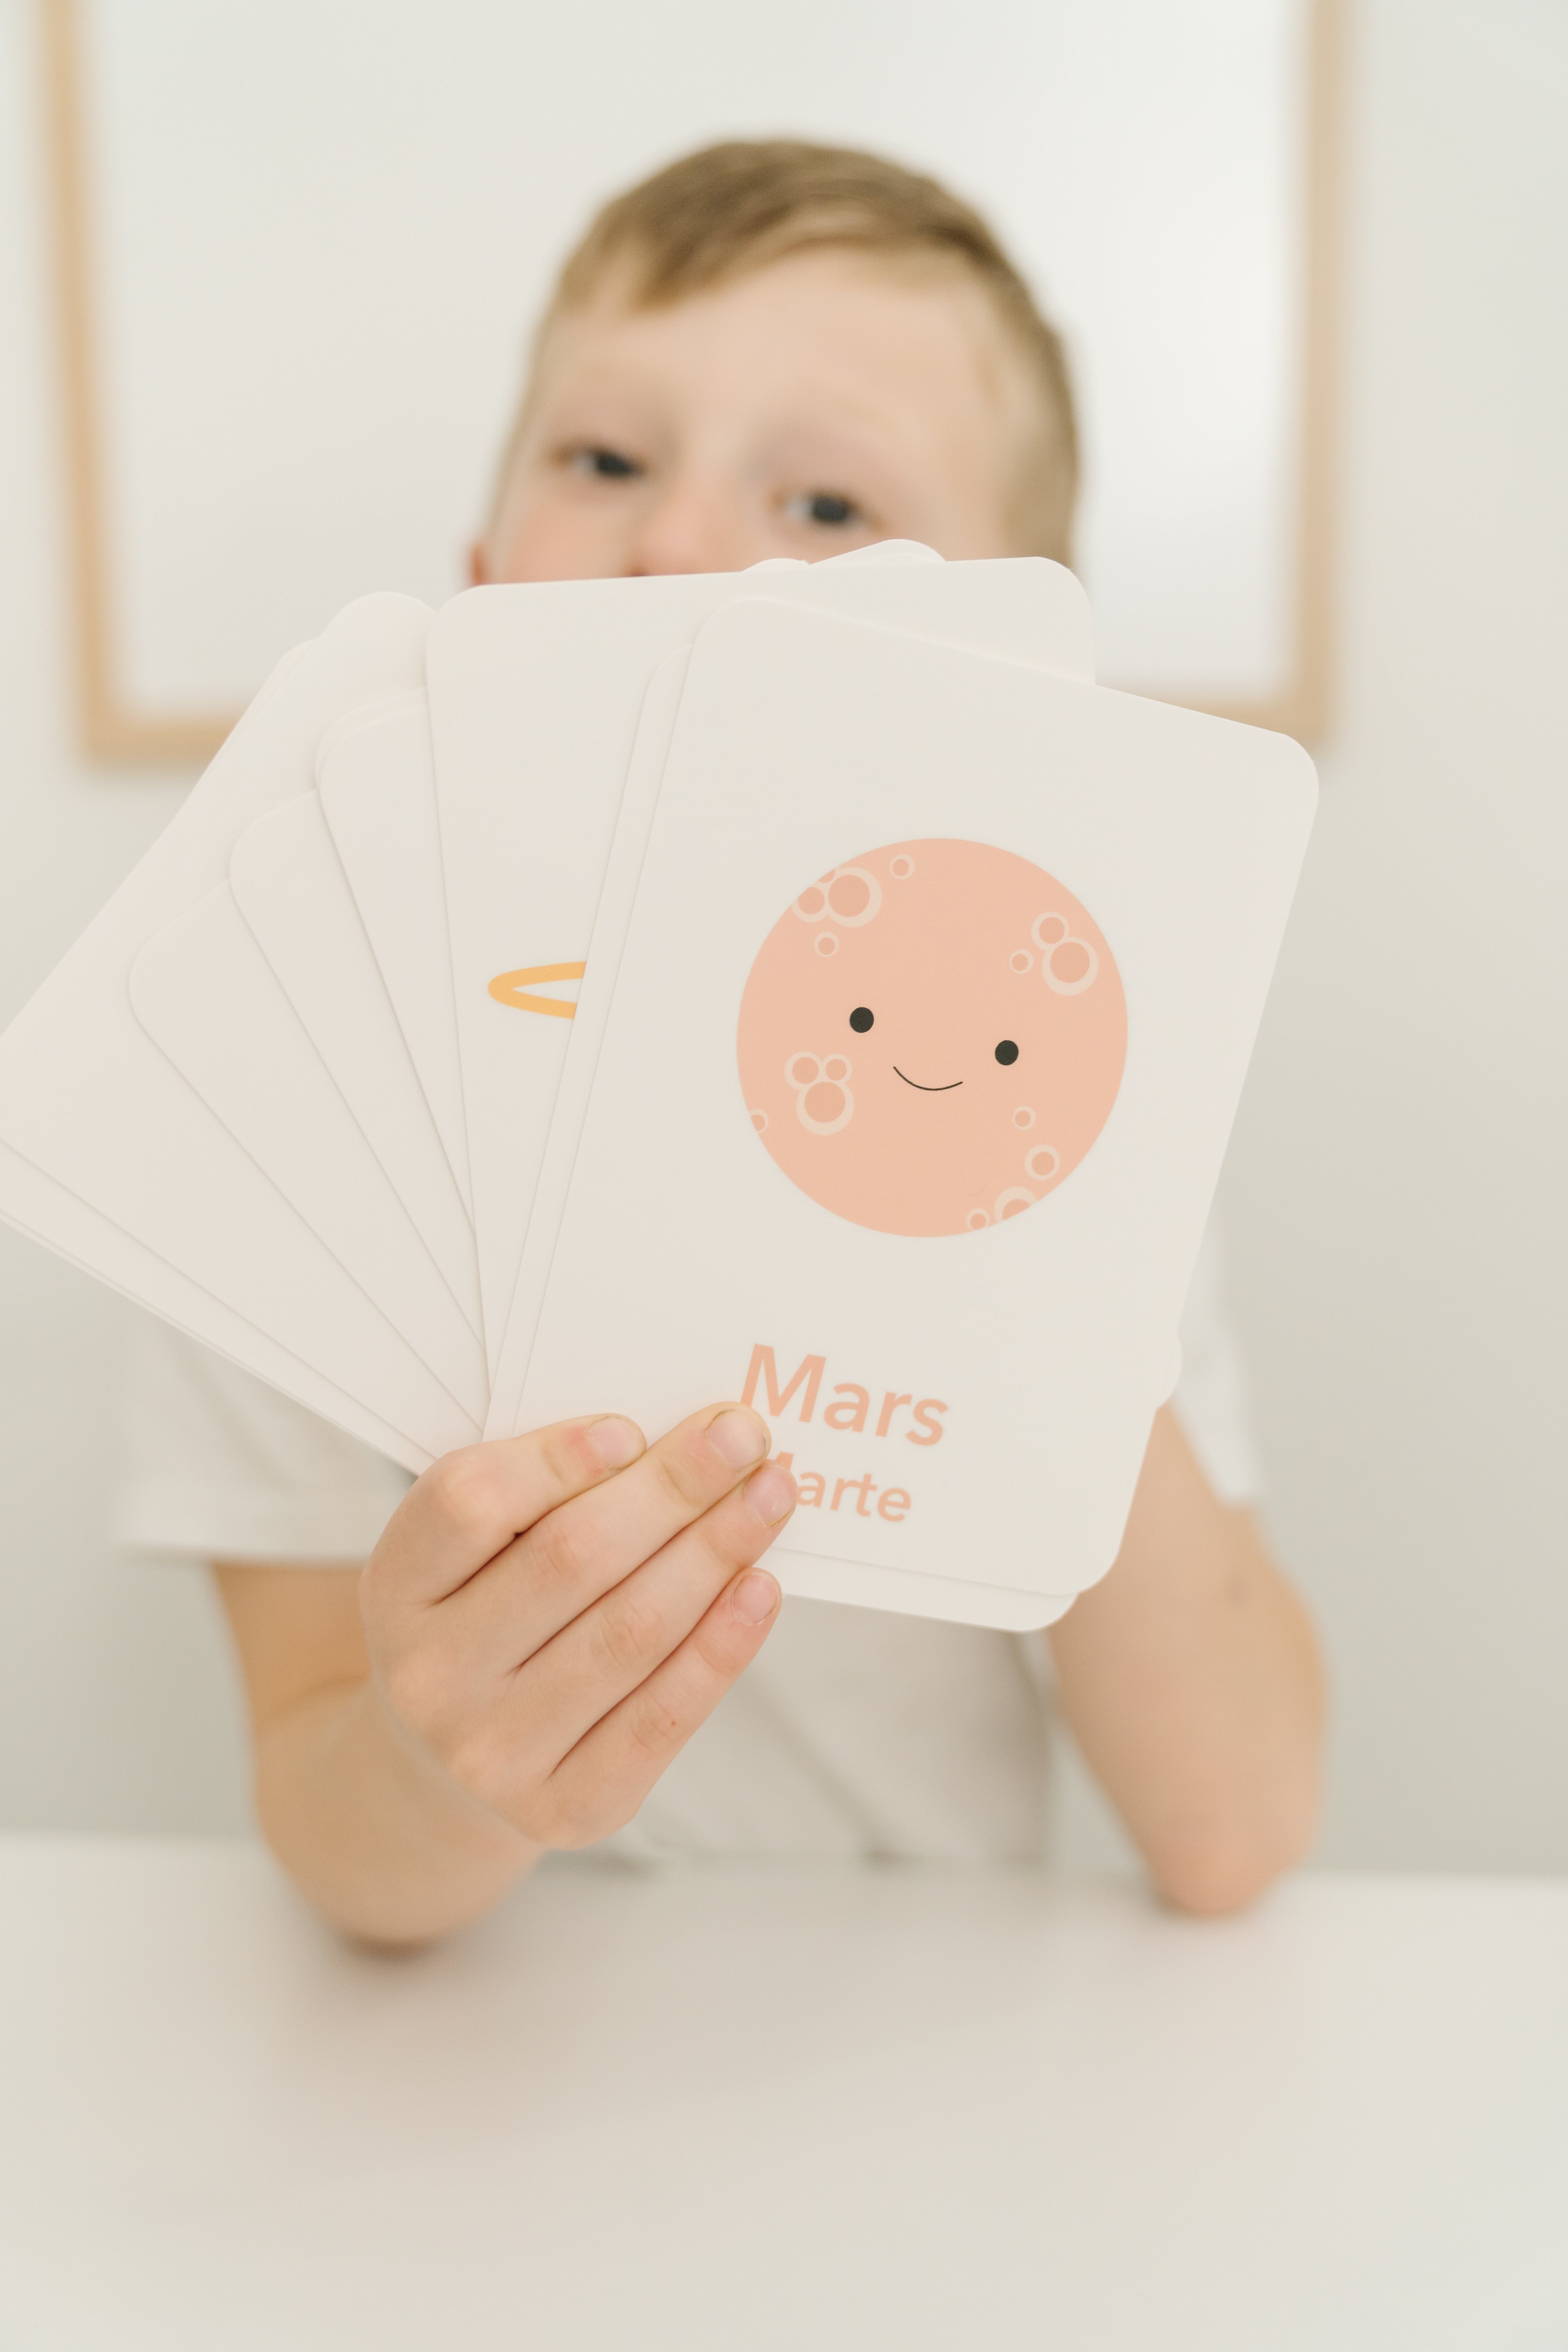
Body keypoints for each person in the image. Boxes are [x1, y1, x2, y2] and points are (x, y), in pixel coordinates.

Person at [120, 141, 1325, 1947]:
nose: (679, 545)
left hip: (931, 2020)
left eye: (826, 502)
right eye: (605, 460)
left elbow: (1232, 1828)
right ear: (479, 583)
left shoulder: (1051, 1119)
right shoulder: (289, 1088)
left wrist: (1028, 1232)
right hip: (465, 2046)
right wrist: (449, 1771)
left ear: (1017, 670)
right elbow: (329, 1816)